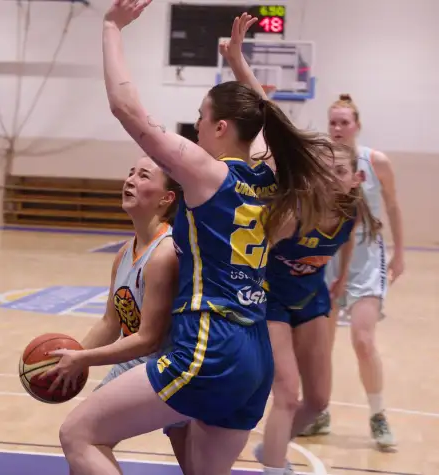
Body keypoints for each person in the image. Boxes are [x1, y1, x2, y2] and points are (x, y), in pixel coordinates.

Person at [52, 2, 339, 474]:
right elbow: (266, 123)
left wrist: (111, 28)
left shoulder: (208, 174)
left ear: (221, 127)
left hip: (209, 344)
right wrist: (238, 65)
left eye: (201, 116)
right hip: (255, 354)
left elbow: (126, 108)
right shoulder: (267, 174)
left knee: (78, 434)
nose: (197, 125)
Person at [219, 16, 381, 474]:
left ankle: (269, 450)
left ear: (355, 179)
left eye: (338, 168)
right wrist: (238, 61)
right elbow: (270, 115)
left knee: (317, 402)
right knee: (286, 394)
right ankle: (275, 466)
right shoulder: (293, 209)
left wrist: (342, 278)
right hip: (269, 300)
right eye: (323, 165)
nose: (328, 170)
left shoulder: (354, 212)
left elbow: (343, 246)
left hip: (310, 300)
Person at [42, 154, 186, 452]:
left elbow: (148, 340)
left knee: (81, 437)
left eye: (143, 176)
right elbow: (111, 322)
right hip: (136, 363)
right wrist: (71, 356)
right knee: (81, 438)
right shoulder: (124, 252)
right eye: (131, 173)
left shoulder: (165, 254)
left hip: (169, 366)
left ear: (166, 198)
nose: (130, 180)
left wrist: (83, 360)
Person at [300, 94, 404, 450]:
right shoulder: (319, 163)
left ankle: (378, 415)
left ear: (357, 125)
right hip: (328, 258)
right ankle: (320, 412)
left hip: (366, 257)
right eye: (333, 122)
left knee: (362, 339)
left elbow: (393, 206)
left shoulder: (376, 162)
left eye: (344, 122)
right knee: (321, 345)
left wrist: (400, 253)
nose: (338, 128)